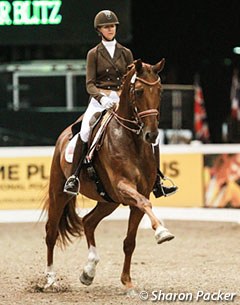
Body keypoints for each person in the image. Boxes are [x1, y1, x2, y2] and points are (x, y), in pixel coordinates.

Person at [63, 10, 178, 198]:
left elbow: (130, 78)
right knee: (84, 130)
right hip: (100, 100)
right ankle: (74, 177)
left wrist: (122, 95)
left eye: (112, 26)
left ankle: (157, 180)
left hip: (120, 98)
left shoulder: (125, 52)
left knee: (152, 135)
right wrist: (103, 97)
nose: (110, 29)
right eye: (106, 27)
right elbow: (90, 85)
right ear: (99, 30)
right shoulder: (93, 54)